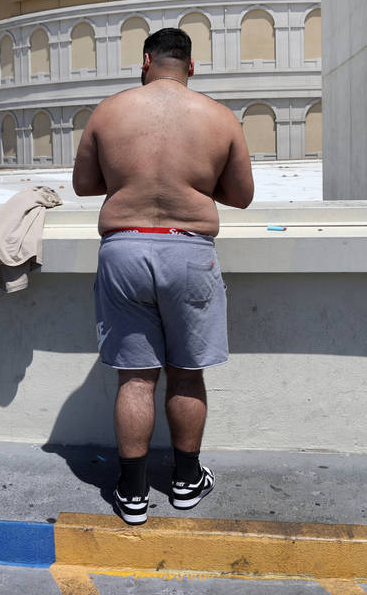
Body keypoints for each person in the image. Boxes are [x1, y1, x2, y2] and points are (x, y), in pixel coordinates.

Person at [72, 27, 254, 524]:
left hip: (124, 247)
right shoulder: (218, 117)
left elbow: (84, 184)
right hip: (189, 250)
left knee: (135, 377)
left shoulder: (110, 110)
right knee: (186, 371)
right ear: (190, 67)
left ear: (146, 60)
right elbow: (241, 196)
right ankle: (186, 481)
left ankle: (132, 492)